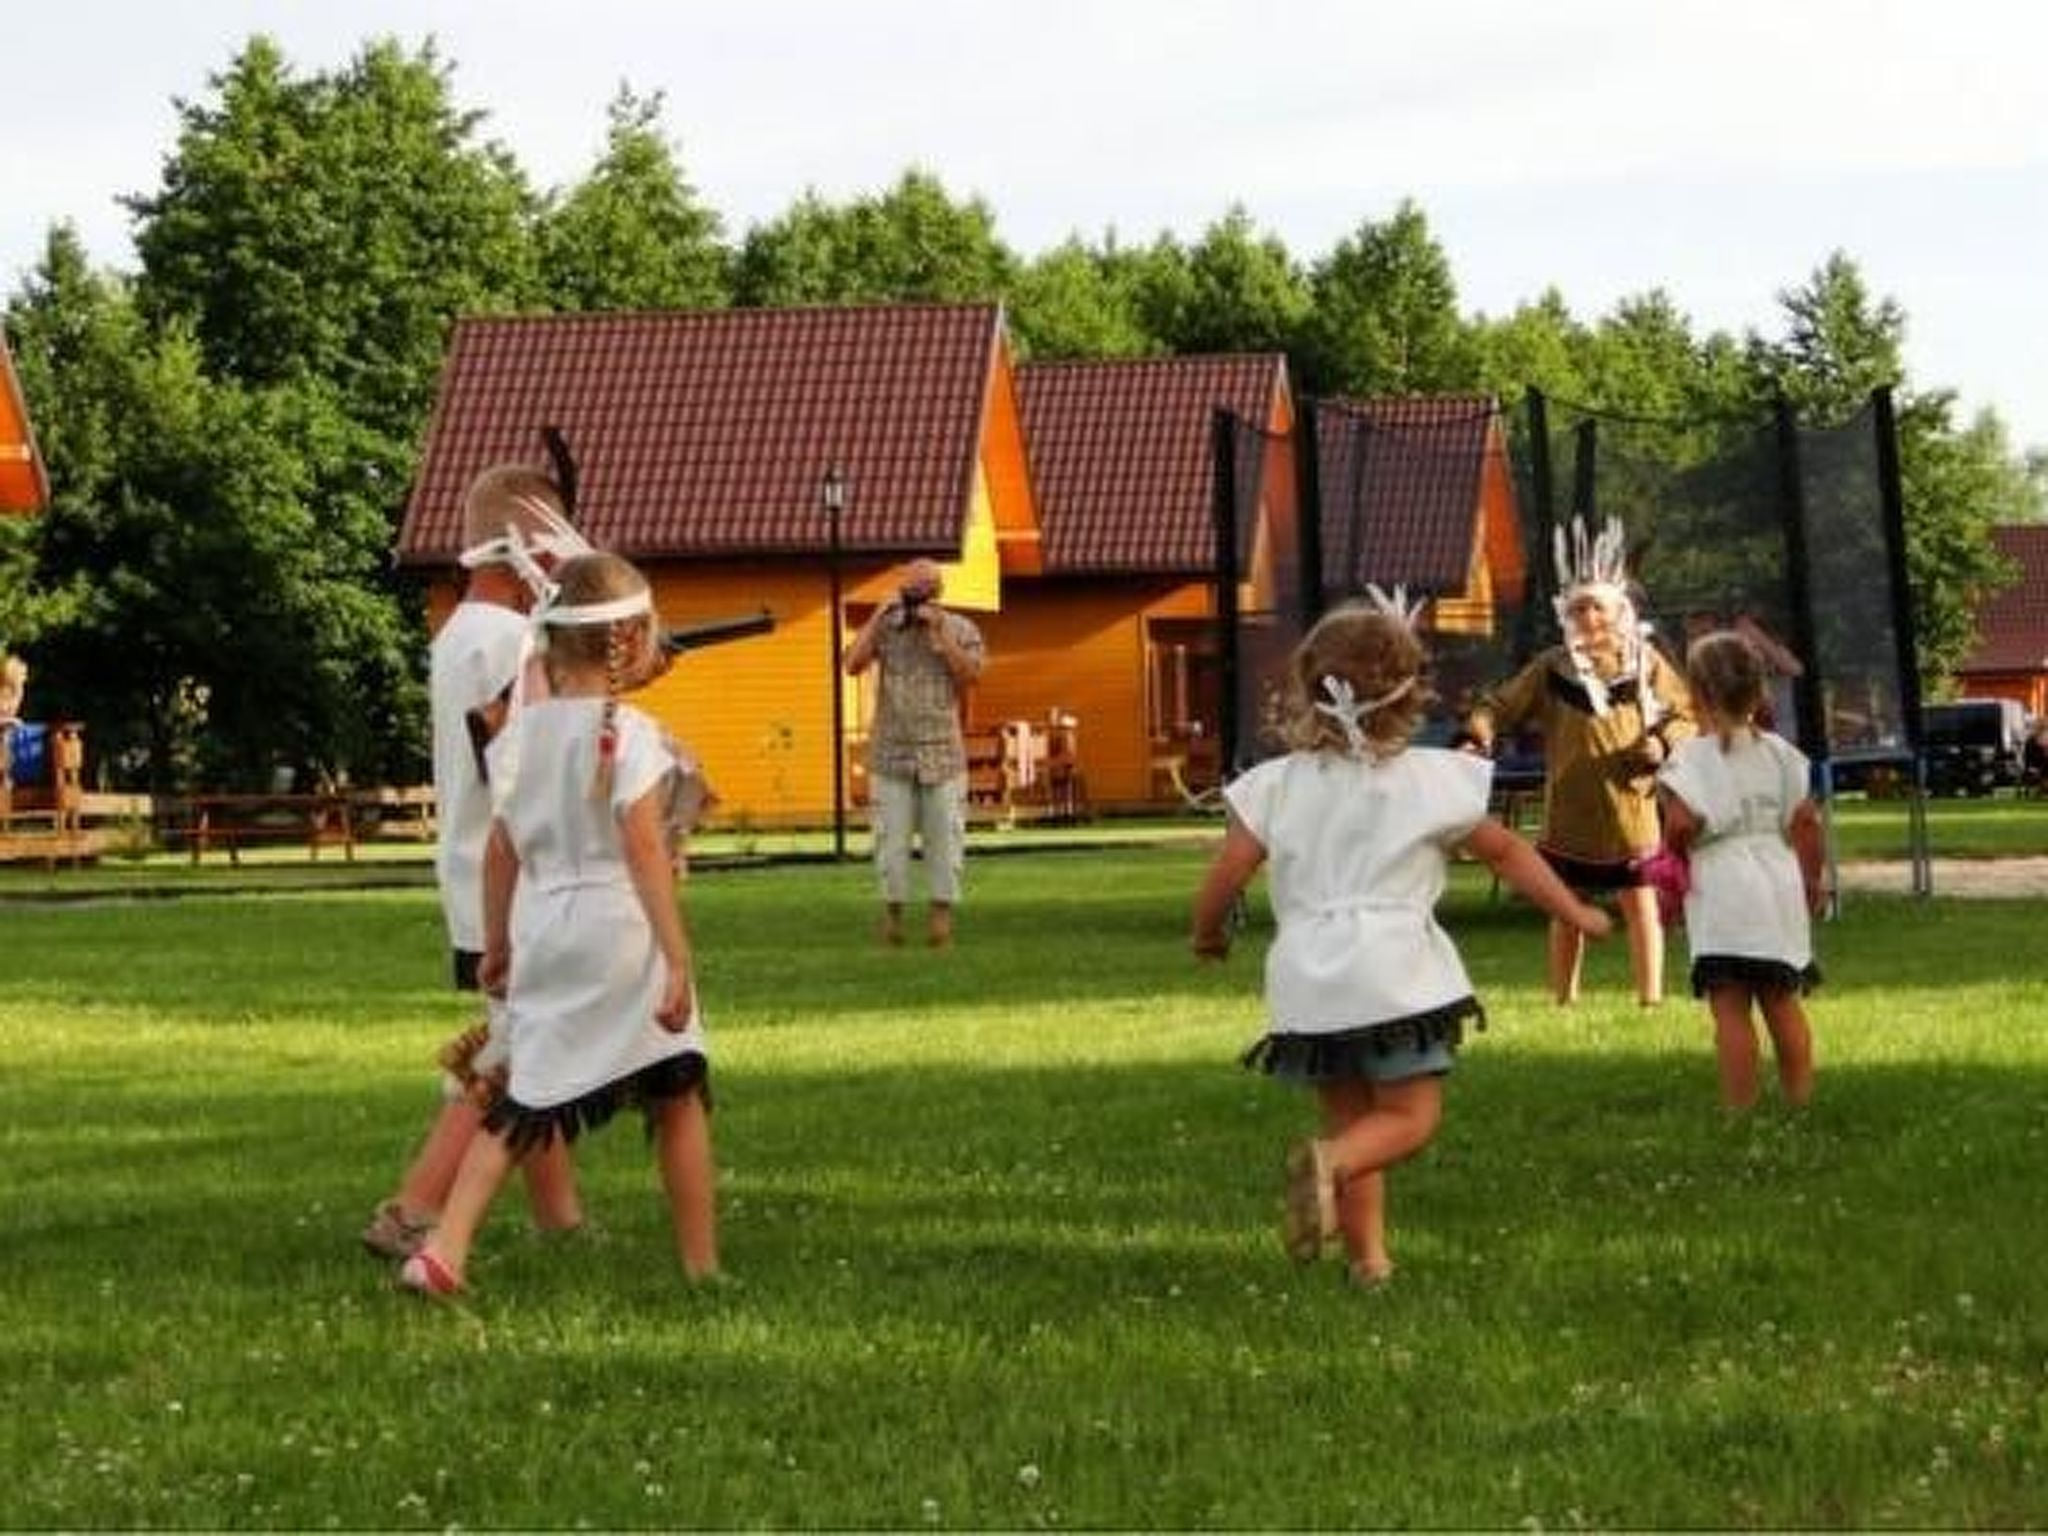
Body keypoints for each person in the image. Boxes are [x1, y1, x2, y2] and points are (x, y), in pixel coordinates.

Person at [1191, 592, 1613, 1288]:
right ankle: (1329, 1171)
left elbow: (1232, 866)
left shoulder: (1276, 785)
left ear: (1308, 689)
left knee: (1352, 1119)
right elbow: (1507, 852)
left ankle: (1369, 1263)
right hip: (1394, 974)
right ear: (1411, 692)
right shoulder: (1431, 782)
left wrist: (1206, 933)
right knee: (1409, 1118)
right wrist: (1574, 911)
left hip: (1309, 980)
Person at [400, 551, 719, 1293]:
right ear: (634, 643)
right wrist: (675, 959)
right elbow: (643, 850)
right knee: (678, 1089)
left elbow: (500, 853)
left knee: (524, 1098)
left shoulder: (515, 741)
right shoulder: (631, 735)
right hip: (618, 930)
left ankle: (444, 1249)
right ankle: (702, 1268)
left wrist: (499, 942)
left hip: (544, 925)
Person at [361, 464, 590, 1260]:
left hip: (474, 872)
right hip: (511, 880)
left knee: (525, 1042)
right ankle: (415, 1206)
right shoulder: (509, 639)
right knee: (515, 1055)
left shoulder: (463, 632)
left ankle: (562, 1220)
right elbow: (537, 752)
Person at [1463, 515, 1695, 1006]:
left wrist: (1662, 744)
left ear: (1620, 611)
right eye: (1580, 607)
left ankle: (1650, 999)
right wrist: (1480, 729)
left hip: (1631, 810)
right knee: (1568, 909)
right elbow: (1500, 705)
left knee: (1641, 904)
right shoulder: (1552, 667)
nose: (1589, 616)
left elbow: (1685, 713)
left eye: (1598, 606)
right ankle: (1563, 997)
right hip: (1569, 813)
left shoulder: (1645, 662)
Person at [1654, 629, 1824, 1112]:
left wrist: (1672, 859)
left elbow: (1682, 824)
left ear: (1696, 692)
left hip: (1722, 881)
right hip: (1777, 875)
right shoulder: (1783, 754)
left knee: (1729, 1006)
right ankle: (1799, 1099)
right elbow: (1806, 823)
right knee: (1782, 998)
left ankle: (1740, 1108)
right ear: (1757, 690)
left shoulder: (1688, 760)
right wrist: (1812, 880)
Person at [842, 557, 986, 948]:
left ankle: (941, 922)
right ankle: (892, 919)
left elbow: (972, 676)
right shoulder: (887, 628)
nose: (916, 596)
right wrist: (876, 616)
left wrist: (942, 635)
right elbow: (852, 665)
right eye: (910, 588)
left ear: (938, 592)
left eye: (923, 588)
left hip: (943, 754)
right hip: (890, 753)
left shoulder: (961, 627)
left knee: (945, 839)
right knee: (890, 841)